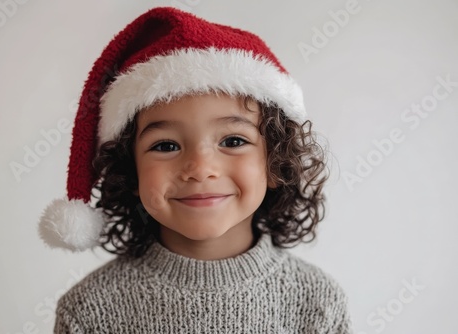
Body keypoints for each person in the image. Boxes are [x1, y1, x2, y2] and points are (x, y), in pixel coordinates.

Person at [38, 6, 353, 333]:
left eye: (232, 141)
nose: (200, 168)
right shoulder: (89, 311)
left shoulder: (318, 303)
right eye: (165, 146)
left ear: (275, 162)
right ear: (130, 171)